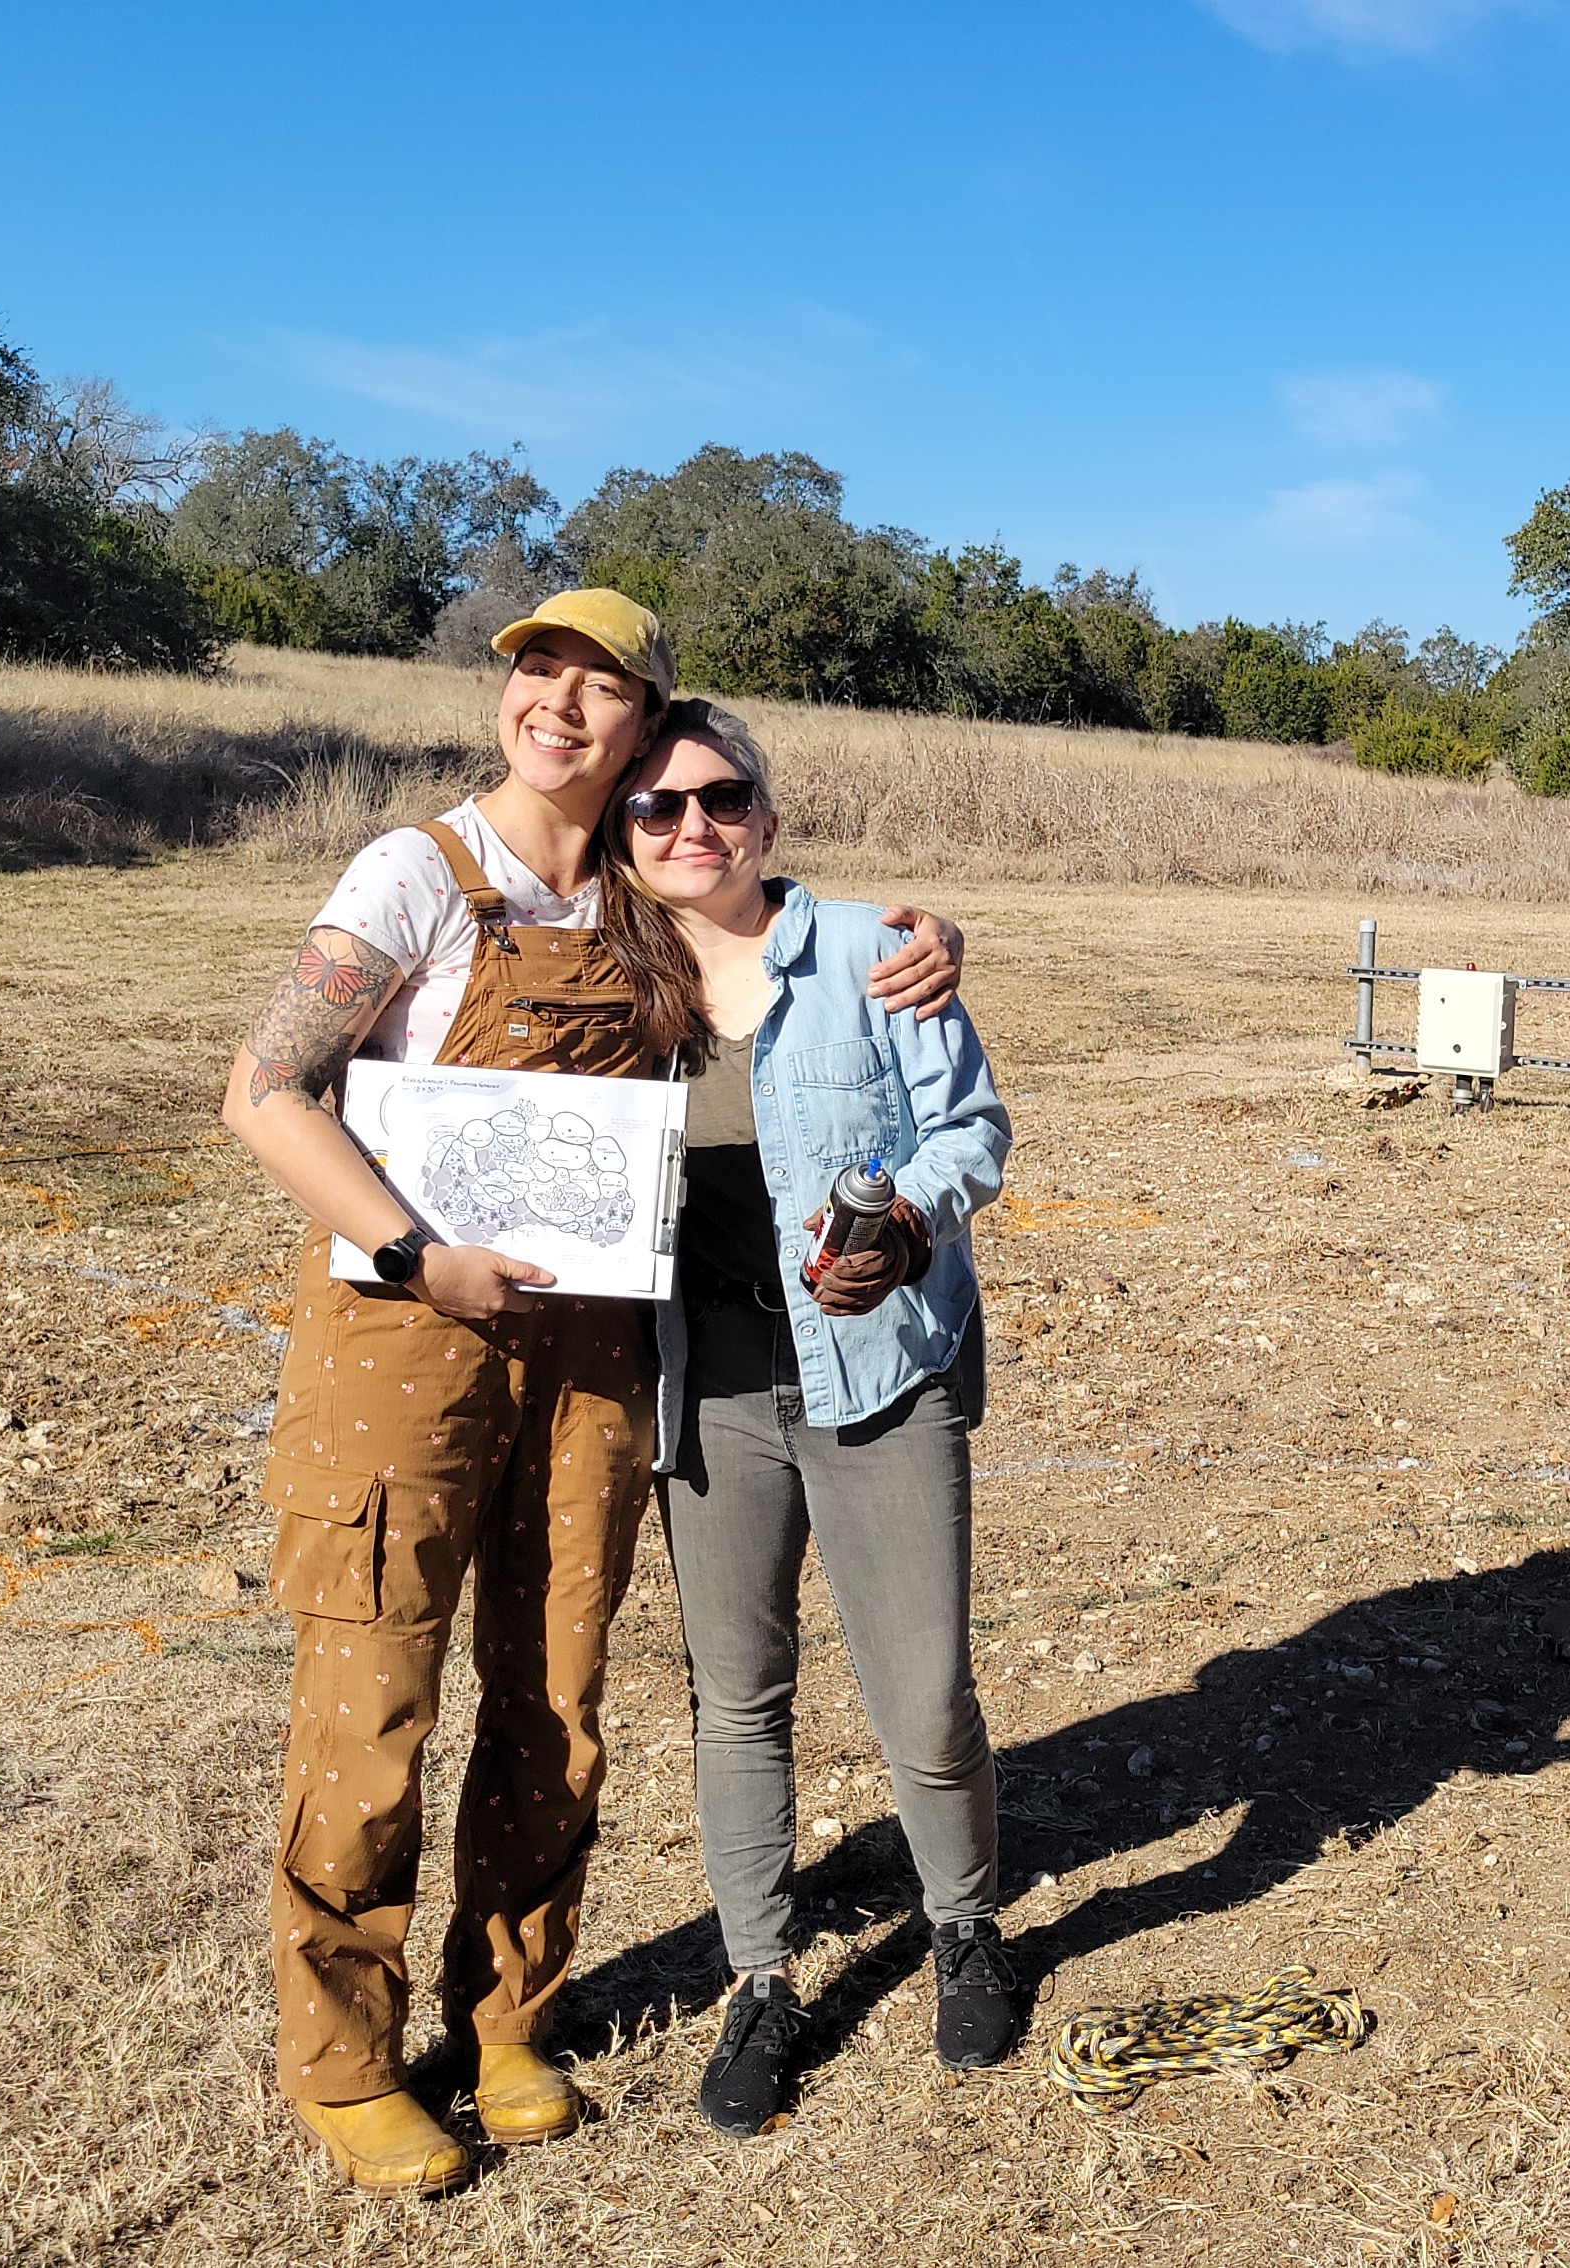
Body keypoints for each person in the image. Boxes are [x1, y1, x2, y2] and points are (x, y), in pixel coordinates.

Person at [218, 589, 971, 2198]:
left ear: (646, 726)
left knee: (555, 1701)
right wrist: (417, 1255)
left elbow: (775, 931)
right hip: (405, 1339)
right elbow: (265, 1091)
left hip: (595, 1359)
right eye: (535, 672)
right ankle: (346, 2062)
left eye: (598, 684)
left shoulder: (636, 893)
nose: (556, 704)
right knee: (374, 1706)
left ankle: (510, 2020)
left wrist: (918, 943)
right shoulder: (415, 875)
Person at [593, 698, 1019, 2137]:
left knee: (925, 1691)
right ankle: (762, 1979)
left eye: (723, 798)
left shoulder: (871, 954)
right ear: (623, 833)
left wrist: (910, 1221)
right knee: (737, 1694)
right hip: (705, 1378)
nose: (693, 827)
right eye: (658, 806)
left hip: (879, 1365)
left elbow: (972, 1130)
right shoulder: (601, 979)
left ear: (768, 818)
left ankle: (966, 1928)